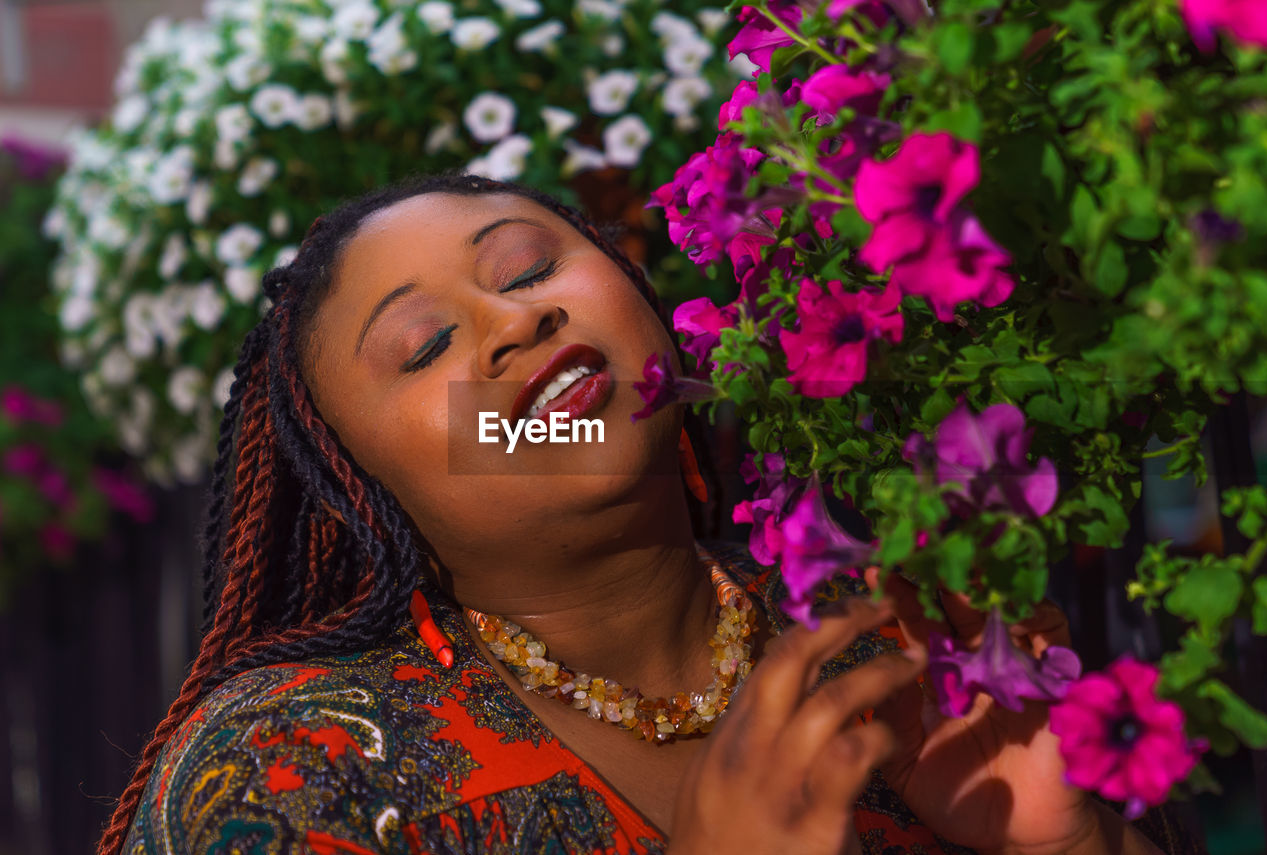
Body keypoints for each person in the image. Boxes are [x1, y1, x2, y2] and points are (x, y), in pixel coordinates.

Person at [102, 174, 1199, 855]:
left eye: (528, 266)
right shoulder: (283, 772)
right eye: (426, 346)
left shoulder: (896, 643)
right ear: (362, 486)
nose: (510, 321)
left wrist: (1066, 847)